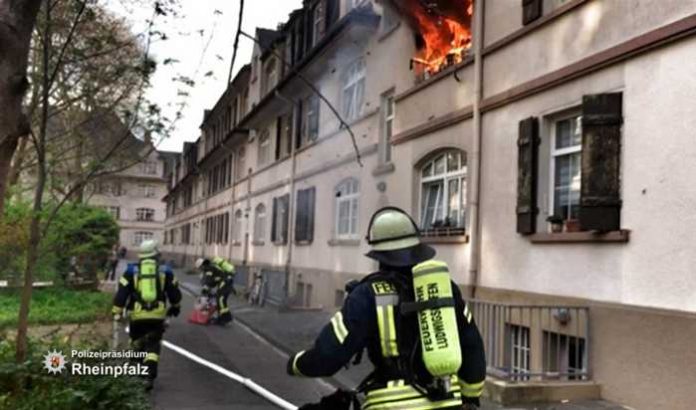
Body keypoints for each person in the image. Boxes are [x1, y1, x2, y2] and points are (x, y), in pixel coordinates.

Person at [287, 207, 486, 410]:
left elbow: (329, 356)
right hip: (448, 400)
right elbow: (472, 347)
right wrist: (470, 396)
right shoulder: (444, 289)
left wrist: (296, 364)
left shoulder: (366, 294)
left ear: (379, 255)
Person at [112, 239, 182, 390]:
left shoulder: (131, 271)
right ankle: (148, 378)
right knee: (153, 346)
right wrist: (175, 307)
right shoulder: (166, 271)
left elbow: (121, 295)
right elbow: (175, 294)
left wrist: (117, 313)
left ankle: (135, 372)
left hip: (136, 315)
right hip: (157, 316)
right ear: (156, 254)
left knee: (136, 342)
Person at [195, 256, 235, 325]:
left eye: (200, 268)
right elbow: (213, 281)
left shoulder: (209, 268)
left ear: (202, 266)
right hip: (225, 282)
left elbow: (208, 280)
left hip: (225, 282)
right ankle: (222, 318)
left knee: (221, 300)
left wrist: (205, 289)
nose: (201, 270)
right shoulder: (211, 266)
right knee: (219, 300)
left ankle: (227, 318)